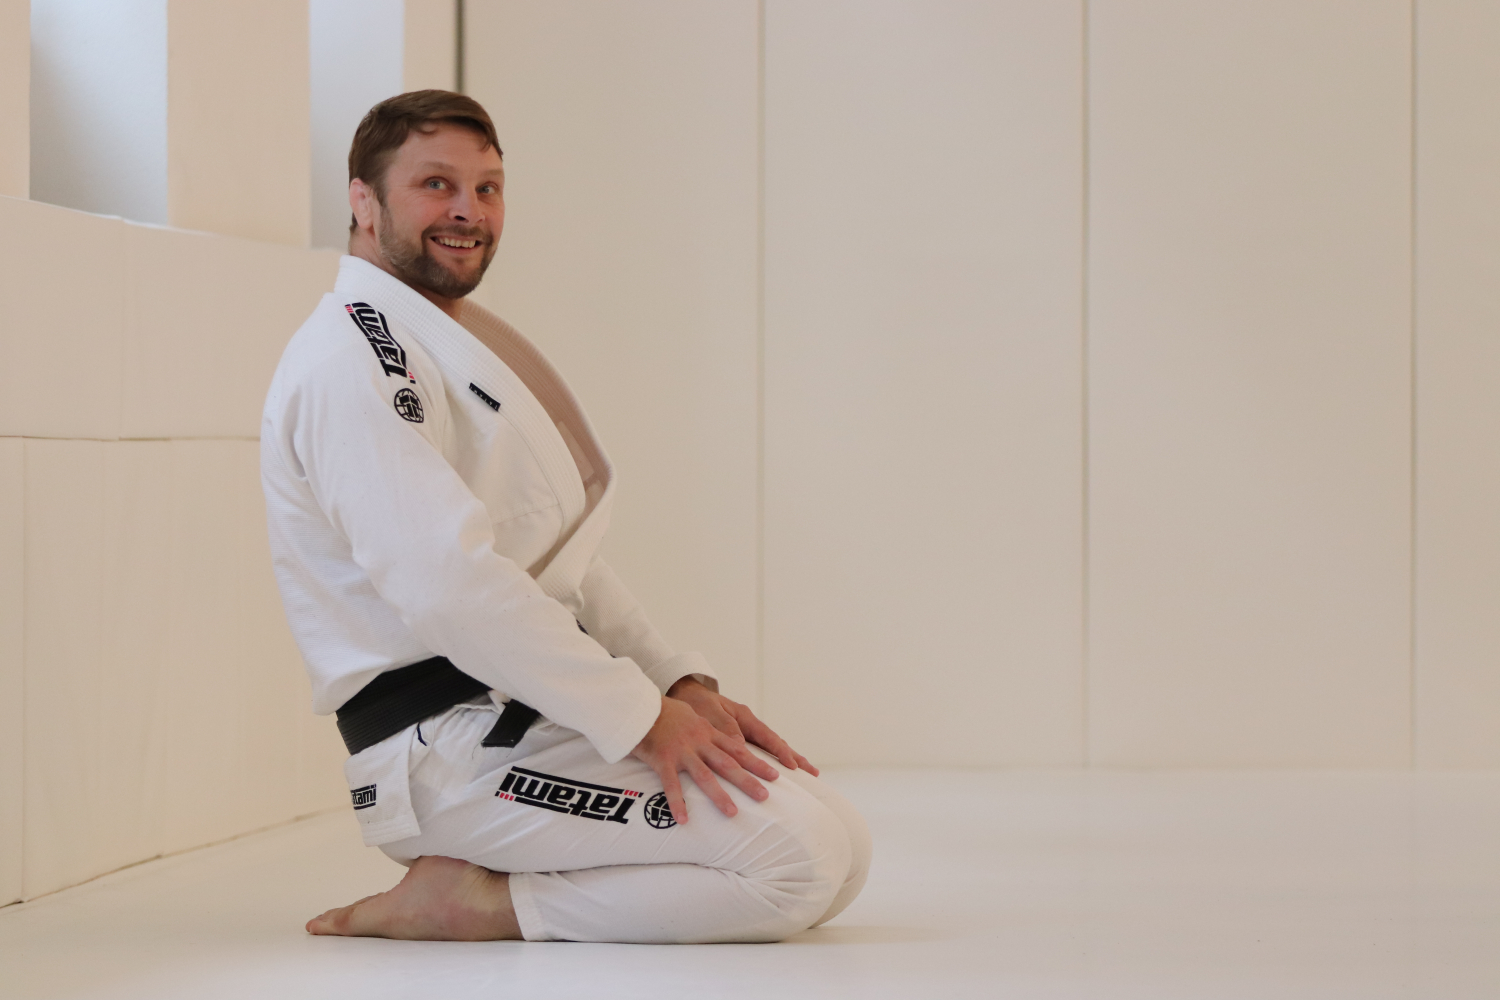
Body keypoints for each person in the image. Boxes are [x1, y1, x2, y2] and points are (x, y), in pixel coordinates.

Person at [260, 90, 871, 944]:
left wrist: (676, 684)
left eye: (488, 188)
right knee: (796, 861)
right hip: (439, 748)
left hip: (520, 712)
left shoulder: (434, 342)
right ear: (363, 201)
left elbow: (553, 564)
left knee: (844, 844)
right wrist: (638, 717)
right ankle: (472, 903)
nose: (469, 211)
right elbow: (449, 588)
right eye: (436, 185)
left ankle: (491, 883)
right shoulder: (349, 359)